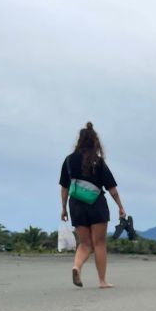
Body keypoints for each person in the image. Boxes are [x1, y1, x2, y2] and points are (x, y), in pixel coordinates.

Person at [59, 122, 126, 288]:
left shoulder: (69, 160)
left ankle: (76, 266)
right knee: (99, 243)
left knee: (84, 243)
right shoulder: (98, 162)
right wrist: (120, 206)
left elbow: (64, 188)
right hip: (96, 205)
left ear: (79, 141)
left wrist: (63, 208)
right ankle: (102, 281)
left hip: (76, 205)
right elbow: (112, 189)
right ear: (95, 142)